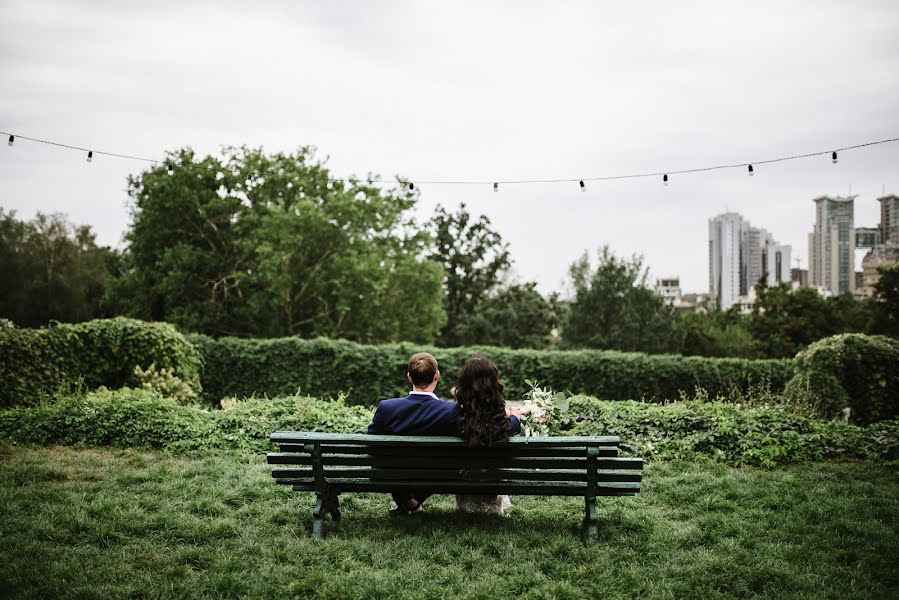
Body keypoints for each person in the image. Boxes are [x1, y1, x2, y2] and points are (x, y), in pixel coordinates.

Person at [367, 352, 523, 515]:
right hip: (434, 474)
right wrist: (514, 420)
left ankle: (406, 501)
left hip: (390, 473)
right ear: (437, 376)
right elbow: (484, 432)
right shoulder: (450, 412)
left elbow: (372, 443)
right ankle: (409, 503)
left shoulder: (386, 408)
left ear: (409, 377)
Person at [452, 356, 521, 516]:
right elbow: (512, 425)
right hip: (493, 481)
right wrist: (515, 416)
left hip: (464, 481)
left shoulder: (455, 420)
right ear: (493, 384)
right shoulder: (503, 425)